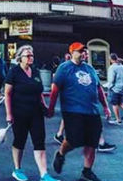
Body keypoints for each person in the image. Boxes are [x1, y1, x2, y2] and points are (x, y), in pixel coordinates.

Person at [47, 42, 112, 181]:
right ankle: (60, 154)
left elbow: (98, 88)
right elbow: (54, 89)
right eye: (79, 51)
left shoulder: (90, 69)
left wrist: (105, 106)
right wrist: (51, 108)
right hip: (72, 110)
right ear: (72, 53)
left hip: (92, 111)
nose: (83, 53)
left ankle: (87, 172)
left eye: (84, 51)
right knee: (73, 140)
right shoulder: (64, 68)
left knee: (92, 142)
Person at [4, 45, 59, 181]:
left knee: (39, 141)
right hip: (19, 112)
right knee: (19, 140)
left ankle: (44, 174)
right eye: (27, 56)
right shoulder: (14, 72)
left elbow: (38, 91)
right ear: (20, 58)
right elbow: (7, 93)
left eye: (32, 55)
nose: (30, 58)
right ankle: (17, 169)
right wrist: (9, 114)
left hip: (36, 112)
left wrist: (45, 106)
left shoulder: (35, 71)